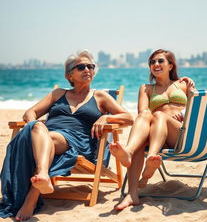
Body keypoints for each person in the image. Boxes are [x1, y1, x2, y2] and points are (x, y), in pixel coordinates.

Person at [0, 50, 133, 221]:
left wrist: (107, 116)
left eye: (90, 66)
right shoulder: (58, 94)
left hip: (78, 143)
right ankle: (42, 178)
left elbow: (129, 118)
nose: (87, 69)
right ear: (70, 74)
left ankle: (36, 188)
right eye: (81, 66)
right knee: (39, 128)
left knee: (45, 133)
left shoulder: (100, 96)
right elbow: (30, 112)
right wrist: (33, 128)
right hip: (46, 138)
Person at [109, 49, 195, 210]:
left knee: (159, 116)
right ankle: (132, 193)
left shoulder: (183, 84)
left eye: (160, 61)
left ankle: (150, 158)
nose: (155, 64)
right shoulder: (146, 88)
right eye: (152, 62)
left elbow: (198, 107)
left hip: (180, 134)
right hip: (158, 134)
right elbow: (143, 112)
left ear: (170, 65)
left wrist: (183, 113)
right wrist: (152, 115)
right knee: (144, 119)